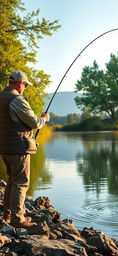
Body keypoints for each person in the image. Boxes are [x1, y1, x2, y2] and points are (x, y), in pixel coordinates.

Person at [0, 70, 50, 228]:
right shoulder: (16, 100)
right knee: (21, 182)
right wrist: (44, 119)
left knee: (12, 180)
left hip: (4, 147)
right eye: (25, 85)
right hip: (18, 147)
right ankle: (18, 219)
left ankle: (7, 216)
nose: (25, 88)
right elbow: (34, 122)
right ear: (20, 83)